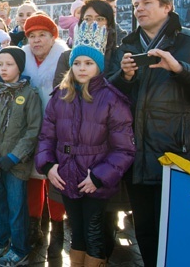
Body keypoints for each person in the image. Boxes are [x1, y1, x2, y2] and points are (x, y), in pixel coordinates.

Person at [109, 0, 190, 267]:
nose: (139, 10)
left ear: (167, 7)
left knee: (178, 228)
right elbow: (108, 96)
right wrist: (124, 77)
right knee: (144, 227)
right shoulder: (128, 46)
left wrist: (180, 69)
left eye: (146, 3)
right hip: (136, 151)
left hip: (177, 151)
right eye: (135, 5)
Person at [37, 22, 135, 266]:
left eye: (89, 63)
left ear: (98, 66)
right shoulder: (61, 95)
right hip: (66, 174)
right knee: (76, 232)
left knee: (94, 232)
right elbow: (46, 136)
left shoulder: (111, 98)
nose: (82, 68)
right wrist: (48, 165)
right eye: (78, 63)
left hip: (94, 178)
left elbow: (124, 148)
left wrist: (100, 177)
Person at [0, 46, 42, 266]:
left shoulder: (29, 95)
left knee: (16, 206)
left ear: (19, 67)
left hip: (15, 164)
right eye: (1, 64)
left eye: (9, 64)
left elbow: (33, 130)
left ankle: (19, 247)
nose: (4, 69)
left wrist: (14, 156)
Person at [21, 13, 69, 255]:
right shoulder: (23, 58)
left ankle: (57, 232)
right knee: (32, 179)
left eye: (42, 35)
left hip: (58, 129)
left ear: (53, 37)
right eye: (32, 36)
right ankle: (34, 228)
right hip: (29, 128)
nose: (37, 40)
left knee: (55, 179)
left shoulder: (65, 58)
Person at [54, 0, 118, 87]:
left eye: (99, 19)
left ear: (109, 23)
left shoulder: (118, 55)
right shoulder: (67, 57)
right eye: (88, 19)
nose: (93, 23)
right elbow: (60, 93)